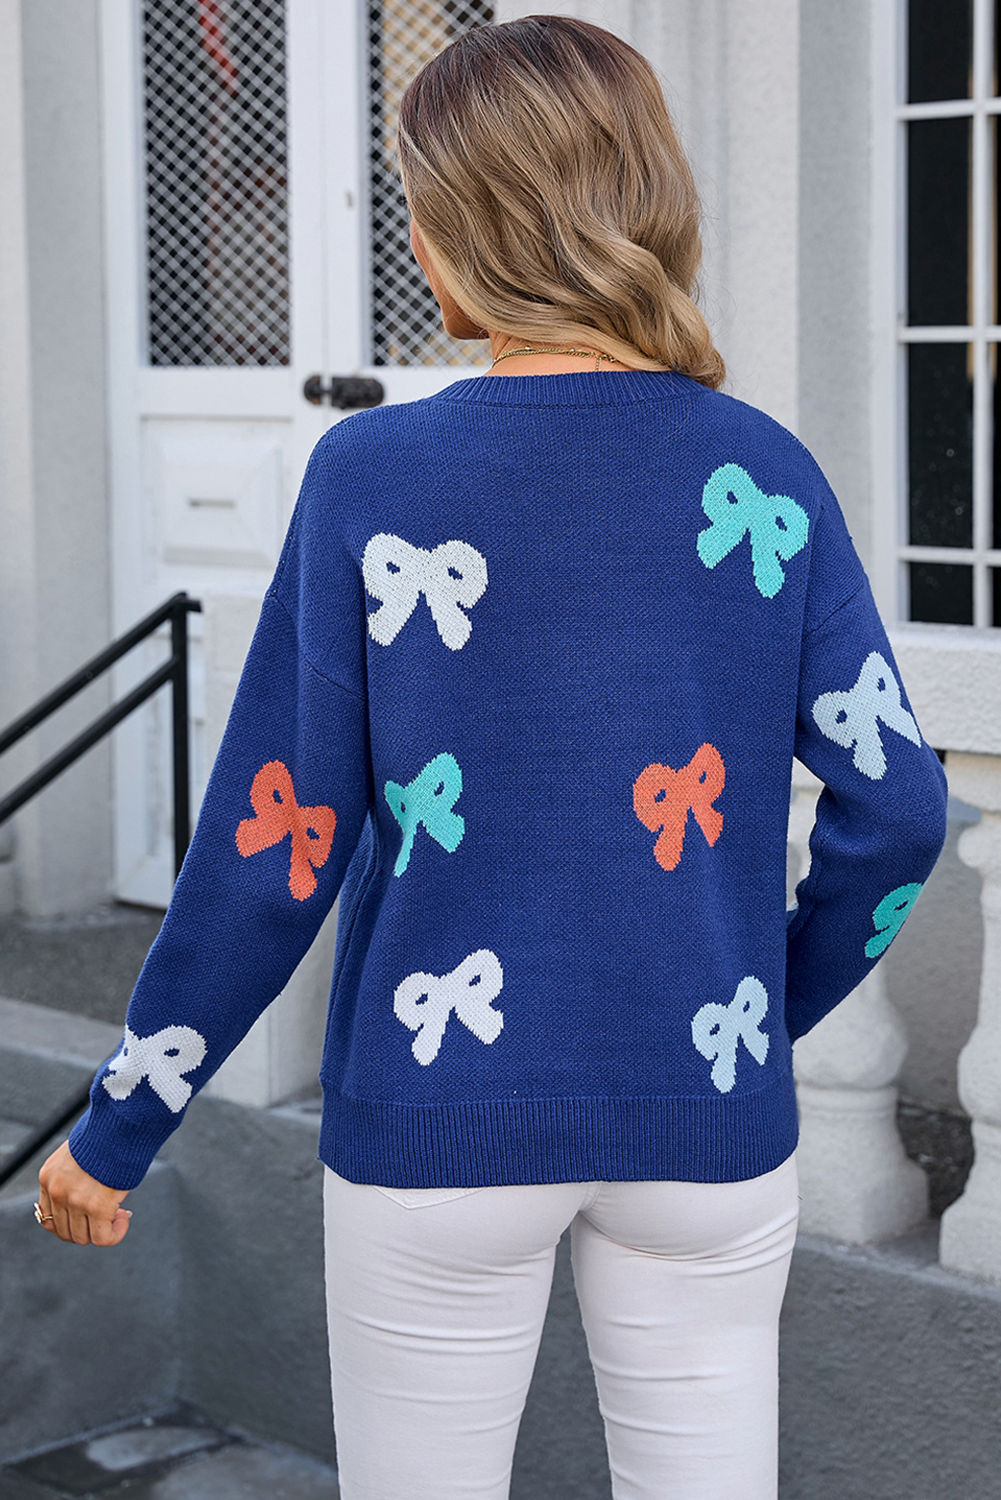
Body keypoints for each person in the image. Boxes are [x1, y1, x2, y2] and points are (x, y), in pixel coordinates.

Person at [37, 15, 948, 1500]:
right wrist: (749, 1011)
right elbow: (899, 810)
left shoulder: (373, 476)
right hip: (704, 1122)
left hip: (441, 1117)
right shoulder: (763, 471)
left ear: (454, 236)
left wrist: (124, 1118)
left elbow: (275, 847)